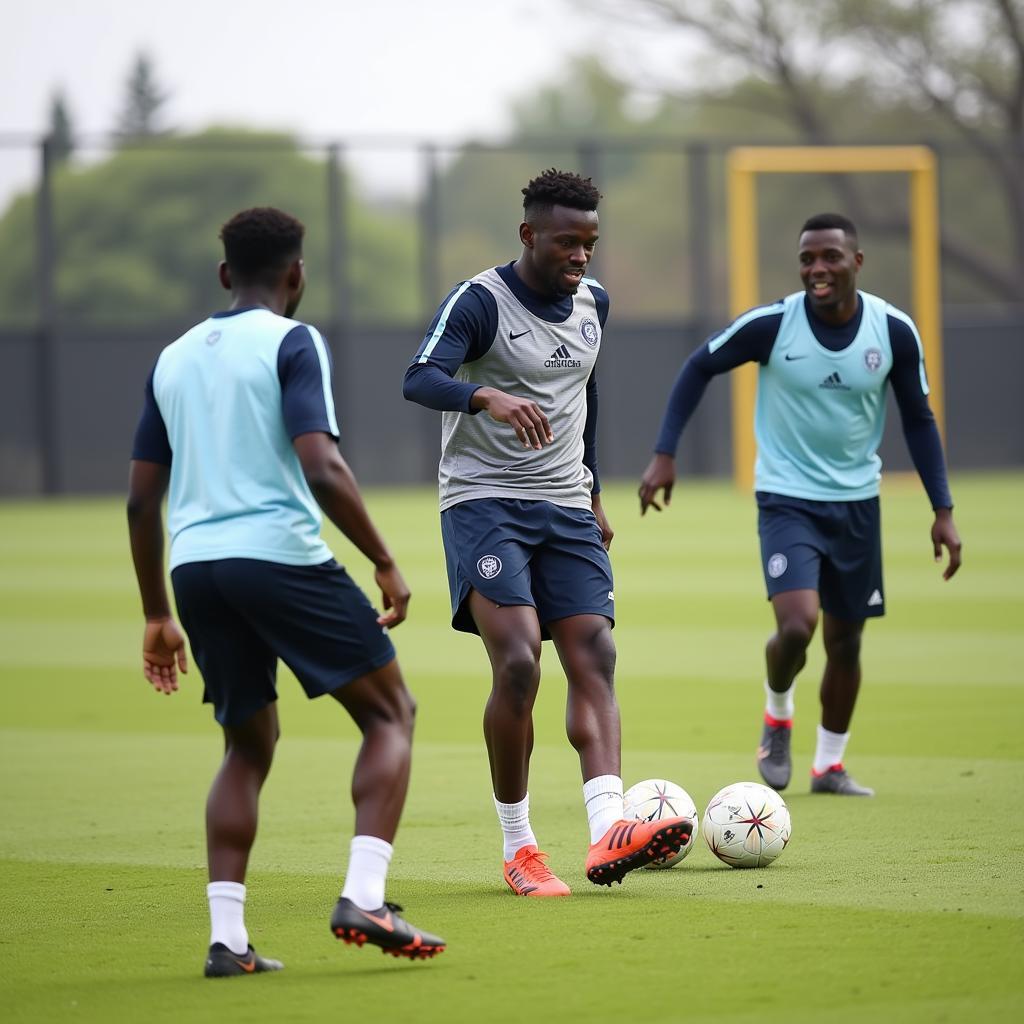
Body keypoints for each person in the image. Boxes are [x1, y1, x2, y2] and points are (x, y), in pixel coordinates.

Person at [127, 207, 445, 977]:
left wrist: (156, 615)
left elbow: (142, 501)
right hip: (278, 557)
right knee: (390, 712)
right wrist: (383, 559)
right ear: (296, 275)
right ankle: (366, 896)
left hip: (195, 570)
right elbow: (322, 464)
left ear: (224, 274)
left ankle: (228, 943)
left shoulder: (171, 358)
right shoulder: (292, 340)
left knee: (247, 744)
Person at [403, 169, 691, 897]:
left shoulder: (594, 303)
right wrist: (485, 395)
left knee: (595, 648)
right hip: (484, 502)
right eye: (567, 242)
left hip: (566, 505)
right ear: (529, 234)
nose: (581, 257)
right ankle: (519, 846)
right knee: (522, 660)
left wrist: (592, 489)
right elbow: (418, 377)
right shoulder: (480, 302)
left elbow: (581, 389)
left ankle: (606, 834)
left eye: (590, 243)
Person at [639, 212, 962, 796]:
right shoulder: (773, 325)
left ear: (856, 262)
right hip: (787, 499)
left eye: (830, 257)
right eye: (808, 258)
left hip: (857, 505)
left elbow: (918, 419)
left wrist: (942, 509)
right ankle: (778, 716)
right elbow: (699, 366)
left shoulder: (893, 331)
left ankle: (829, 766)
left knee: (846, 642)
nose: (818, 269)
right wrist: (665, 452)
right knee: (797, 625)